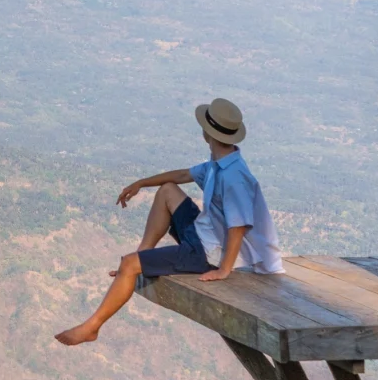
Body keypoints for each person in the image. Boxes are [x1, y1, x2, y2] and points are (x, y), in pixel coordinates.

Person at [54, 97, 283, 346]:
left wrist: (223, 270)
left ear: (208, 133)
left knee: (129, 264)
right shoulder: (220, 164)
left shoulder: (233, 177)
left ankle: (92, 327)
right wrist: (141, 183)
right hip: (204, 236)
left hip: (206, 254)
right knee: (167, 190)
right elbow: (183, 174)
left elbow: (238, 226)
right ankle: (143, 254)